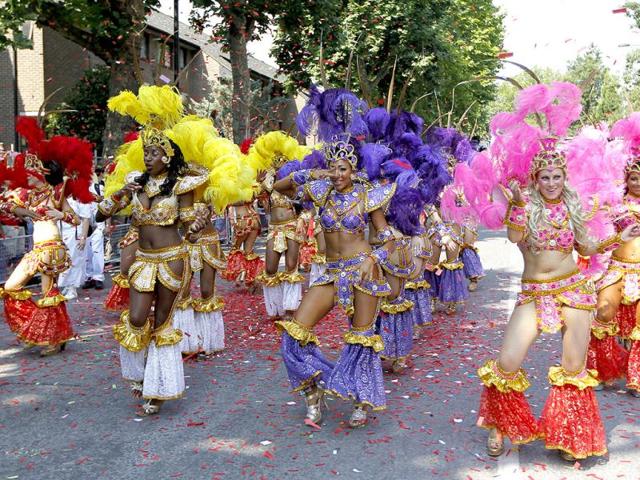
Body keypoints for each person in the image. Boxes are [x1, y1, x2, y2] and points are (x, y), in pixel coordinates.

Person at [475, 82, 639, 461]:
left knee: (572, 365)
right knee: (508, 361)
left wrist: (618, 237)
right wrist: (516, 204)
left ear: (564, 178)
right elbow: (515, 237)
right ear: (535, 178)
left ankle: (572, 436)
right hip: (534, 292)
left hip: (575, 289)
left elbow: (584, 248)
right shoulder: (525, 207)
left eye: (557, 176)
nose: (551, 183)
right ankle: (501, 424)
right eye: (545, 177)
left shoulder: (573, 207)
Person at [102, 85, 253, 416]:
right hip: (143, 261)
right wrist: (118, 195)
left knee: (163, 323)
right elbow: (103, 213)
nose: (148, 158)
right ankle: (141, 374)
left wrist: (199, 223)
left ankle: (157, 389)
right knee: (138, 317)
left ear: (167, 157)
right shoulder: (135, 182)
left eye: (154, 153)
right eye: (146, 153)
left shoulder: (183, 186)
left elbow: (187, 223)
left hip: (173, 262)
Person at [273, 137, 395, 428]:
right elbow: (278, 187)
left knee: (361, 337)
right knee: (295, 333)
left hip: (363, 271)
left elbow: (389, 239)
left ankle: (359, 400)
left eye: (343, 169)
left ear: (353, 170)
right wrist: (312, 174)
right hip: (330, 273)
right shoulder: (320, 191)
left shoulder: (368, 195)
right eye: (333, 168)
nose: (338, 175)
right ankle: (314, 394)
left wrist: (373, 259)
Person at [0, 117, 94, 356]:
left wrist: (59, 213)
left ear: (42, 173)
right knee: (11, 287)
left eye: (32, 173)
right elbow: (8, 207)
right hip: (36, 250)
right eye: (28, 173)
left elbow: (76, 219)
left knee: (49, 294)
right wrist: (25, 211)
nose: (29, 177)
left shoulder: (56, 193)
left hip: (52, 248)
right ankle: (39, 330)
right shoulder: (29, 196)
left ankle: (54, 339)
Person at [252, 132, 309, 320]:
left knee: (292, 265)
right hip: (274, 229)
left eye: (283, 163)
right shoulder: (269, 184)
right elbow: (256, 199)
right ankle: (275, 308)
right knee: (270, 268)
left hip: (291, 227)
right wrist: (260, 184)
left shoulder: (294, 185)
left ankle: (291, 307)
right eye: (276, 164)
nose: (279, 166)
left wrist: (302, 219)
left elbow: (307, 207)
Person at [58, 197, 91, 300]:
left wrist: (83, 238)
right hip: (62, 233)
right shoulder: (60, 198)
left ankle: (73, 288)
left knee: (74, 260)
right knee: (64, 260)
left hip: (75, 233)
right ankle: (67, 285)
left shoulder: (81, 199)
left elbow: (86, 219)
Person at [83, 167, 106, 290]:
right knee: (86, 251)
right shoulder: (78, 189)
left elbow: (106, 206)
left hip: (98, 223)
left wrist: (107, 224)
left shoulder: (99, 188)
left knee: (97, 249)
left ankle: (98, 277)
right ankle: (88, 277)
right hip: (84, 224)